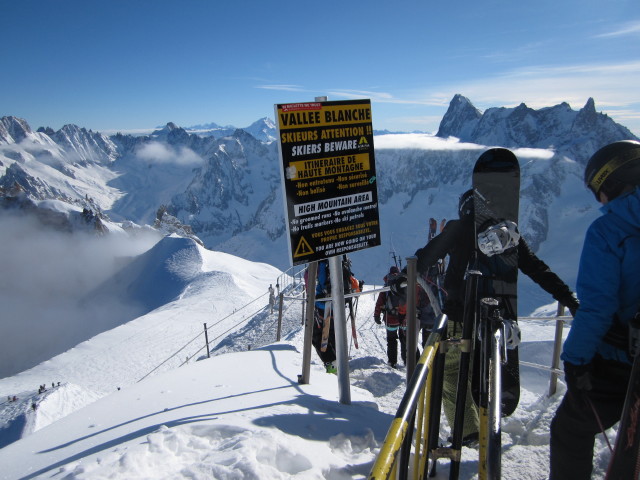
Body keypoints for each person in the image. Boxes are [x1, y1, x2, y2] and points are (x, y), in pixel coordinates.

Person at [413, 188, 580, 446]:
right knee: (488, 365)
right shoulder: (508, 233)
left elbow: (426, 257)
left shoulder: (458, 228)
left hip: (461, 313)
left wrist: (404, 276)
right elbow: (537, 268)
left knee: (452, 370)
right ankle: (490, 419)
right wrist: (567, 297)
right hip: (498, 314)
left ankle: (468, 430)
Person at [549, 140, 640, 479]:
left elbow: (599, 306)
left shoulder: (609, 231)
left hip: (621, 364)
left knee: (571, 429)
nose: (599, 201)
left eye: (598, 191)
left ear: (613, 183)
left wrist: (575, 360)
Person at [311, 256, 359, 374]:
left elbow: (321, 281)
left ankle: (331, 363)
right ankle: (338, 361)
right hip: (339, 306)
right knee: (333, 333)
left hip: (324, 306)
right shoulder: (343, 265)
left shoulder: (323, 264)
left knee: (318, 336)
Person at [374, 266, 408, 367]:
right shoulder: (404, 283)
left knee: (392, 340)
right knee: (404, 339)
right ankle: (406, 360)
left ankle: (392, 362)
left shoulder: (387, 287)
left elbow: (379, 302)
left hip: (390, 319)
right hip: (403, 318)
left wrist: (377, 315)